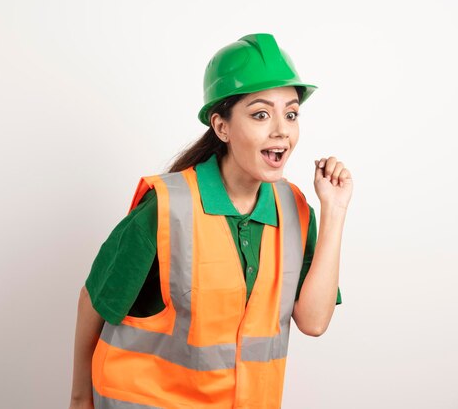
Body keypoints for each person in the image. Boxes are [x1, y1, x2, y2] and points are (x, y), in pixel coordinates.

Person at [69, 33, 353, 409]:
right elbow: (96, 299)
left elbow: (314, 322)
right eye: (261, 114)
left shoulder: (297, 211)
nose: (282, 130)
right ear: (221, 127)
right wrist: (78, 398)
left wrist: (334, 210)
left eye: (291, 113)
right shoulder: (167, 208)